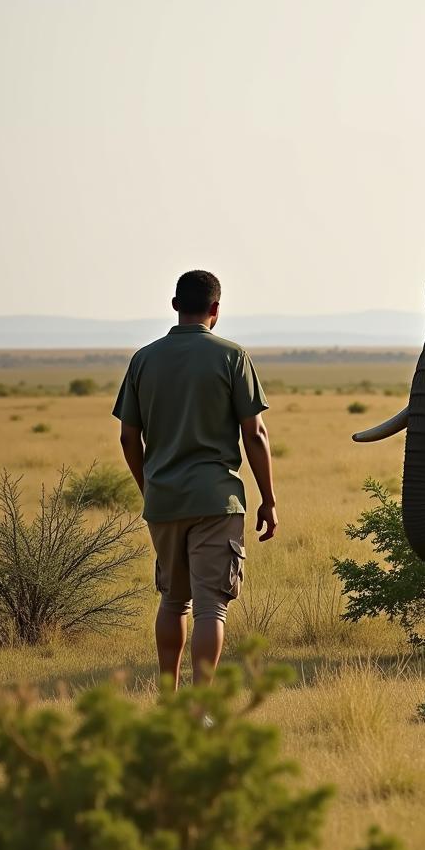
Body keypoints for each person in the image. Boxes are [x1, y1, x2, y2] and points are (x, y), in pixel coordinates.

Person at [113, 269, 278, 687]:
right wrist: (268, 498)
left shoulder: (143, 359)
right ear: (216, 309)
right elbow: (255, 433)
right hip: (216, 500)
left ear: (174, 306)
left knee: (172, 602)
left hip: (164, 501)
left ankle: (168, 700)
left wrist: (148, 487)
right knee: (211, 610)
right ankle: (203, 706)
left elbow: (127, 436)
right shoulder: (231, 356)